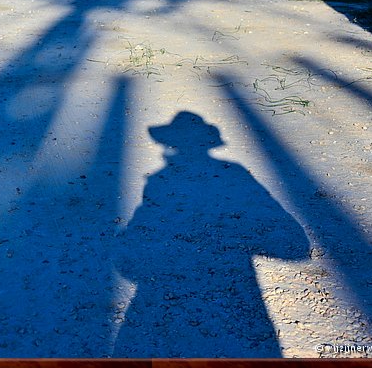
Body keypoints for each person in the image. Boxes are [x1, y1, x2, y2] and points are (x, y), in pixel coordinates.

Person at [113, 111, 310, 358]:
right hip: (236, 294)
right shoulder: (232, 172)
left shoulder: (161, 180)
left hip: (167, 295)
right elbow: (295, 246)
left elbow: (130, 260)